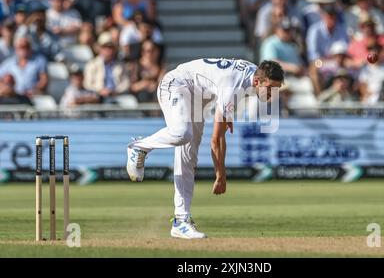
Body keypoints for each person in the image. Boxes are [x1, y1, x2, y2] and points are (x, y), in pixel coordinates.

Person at [126, 58, 284, 239]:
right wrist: (221, 175)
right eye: (271, 88)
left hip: (198, 98)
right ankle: (138, 146)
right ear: (258, 81)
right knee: (182, 134)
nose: (273, 94)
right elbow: (216, 140)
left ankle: (181, 221)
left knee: (188, 157)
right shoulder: (234, 85)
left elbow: (224, 88)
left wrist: (227, 114)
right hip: (176, 83)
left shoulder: (253, 74)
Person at [83, 31, 130, 101]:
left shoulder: (120, 65)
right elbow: (87, 84)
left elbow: (126, 83)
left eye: (110, 47)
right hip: (98, 97)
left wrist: (115, 91)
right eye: (105, 47)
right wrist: (100, 90)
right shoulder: (92, 64)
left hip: (116, 95)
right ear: (100, 48)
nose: (108, 50)